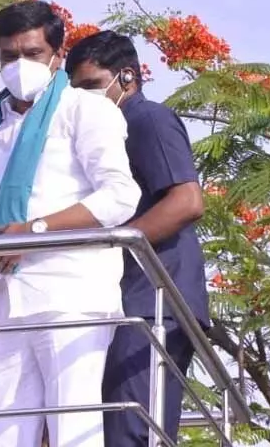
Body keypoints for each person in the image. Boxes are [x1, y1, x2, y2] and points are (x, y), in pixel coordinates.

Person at [0, 0, 142, 447]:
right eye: (10, 56)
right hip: (4, 302)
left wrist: (35, 230)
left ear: (56, 54)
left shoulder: (85, 110)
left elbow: (121, 196)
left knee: (73, 430)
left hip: (71, 293)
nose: (20, 64)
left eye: (32, 53)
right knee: (7, 435)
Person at [65, 30, 209, 446]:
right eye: (76, 90)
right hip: (129, 298)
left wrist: (106, 244)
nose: (83, 99)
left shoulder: (146, 119)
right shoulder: (102, 134)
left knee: (134, 431)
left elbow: (186, 201)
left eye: (92, 86)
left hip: (154, 301)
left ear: (126, 78)